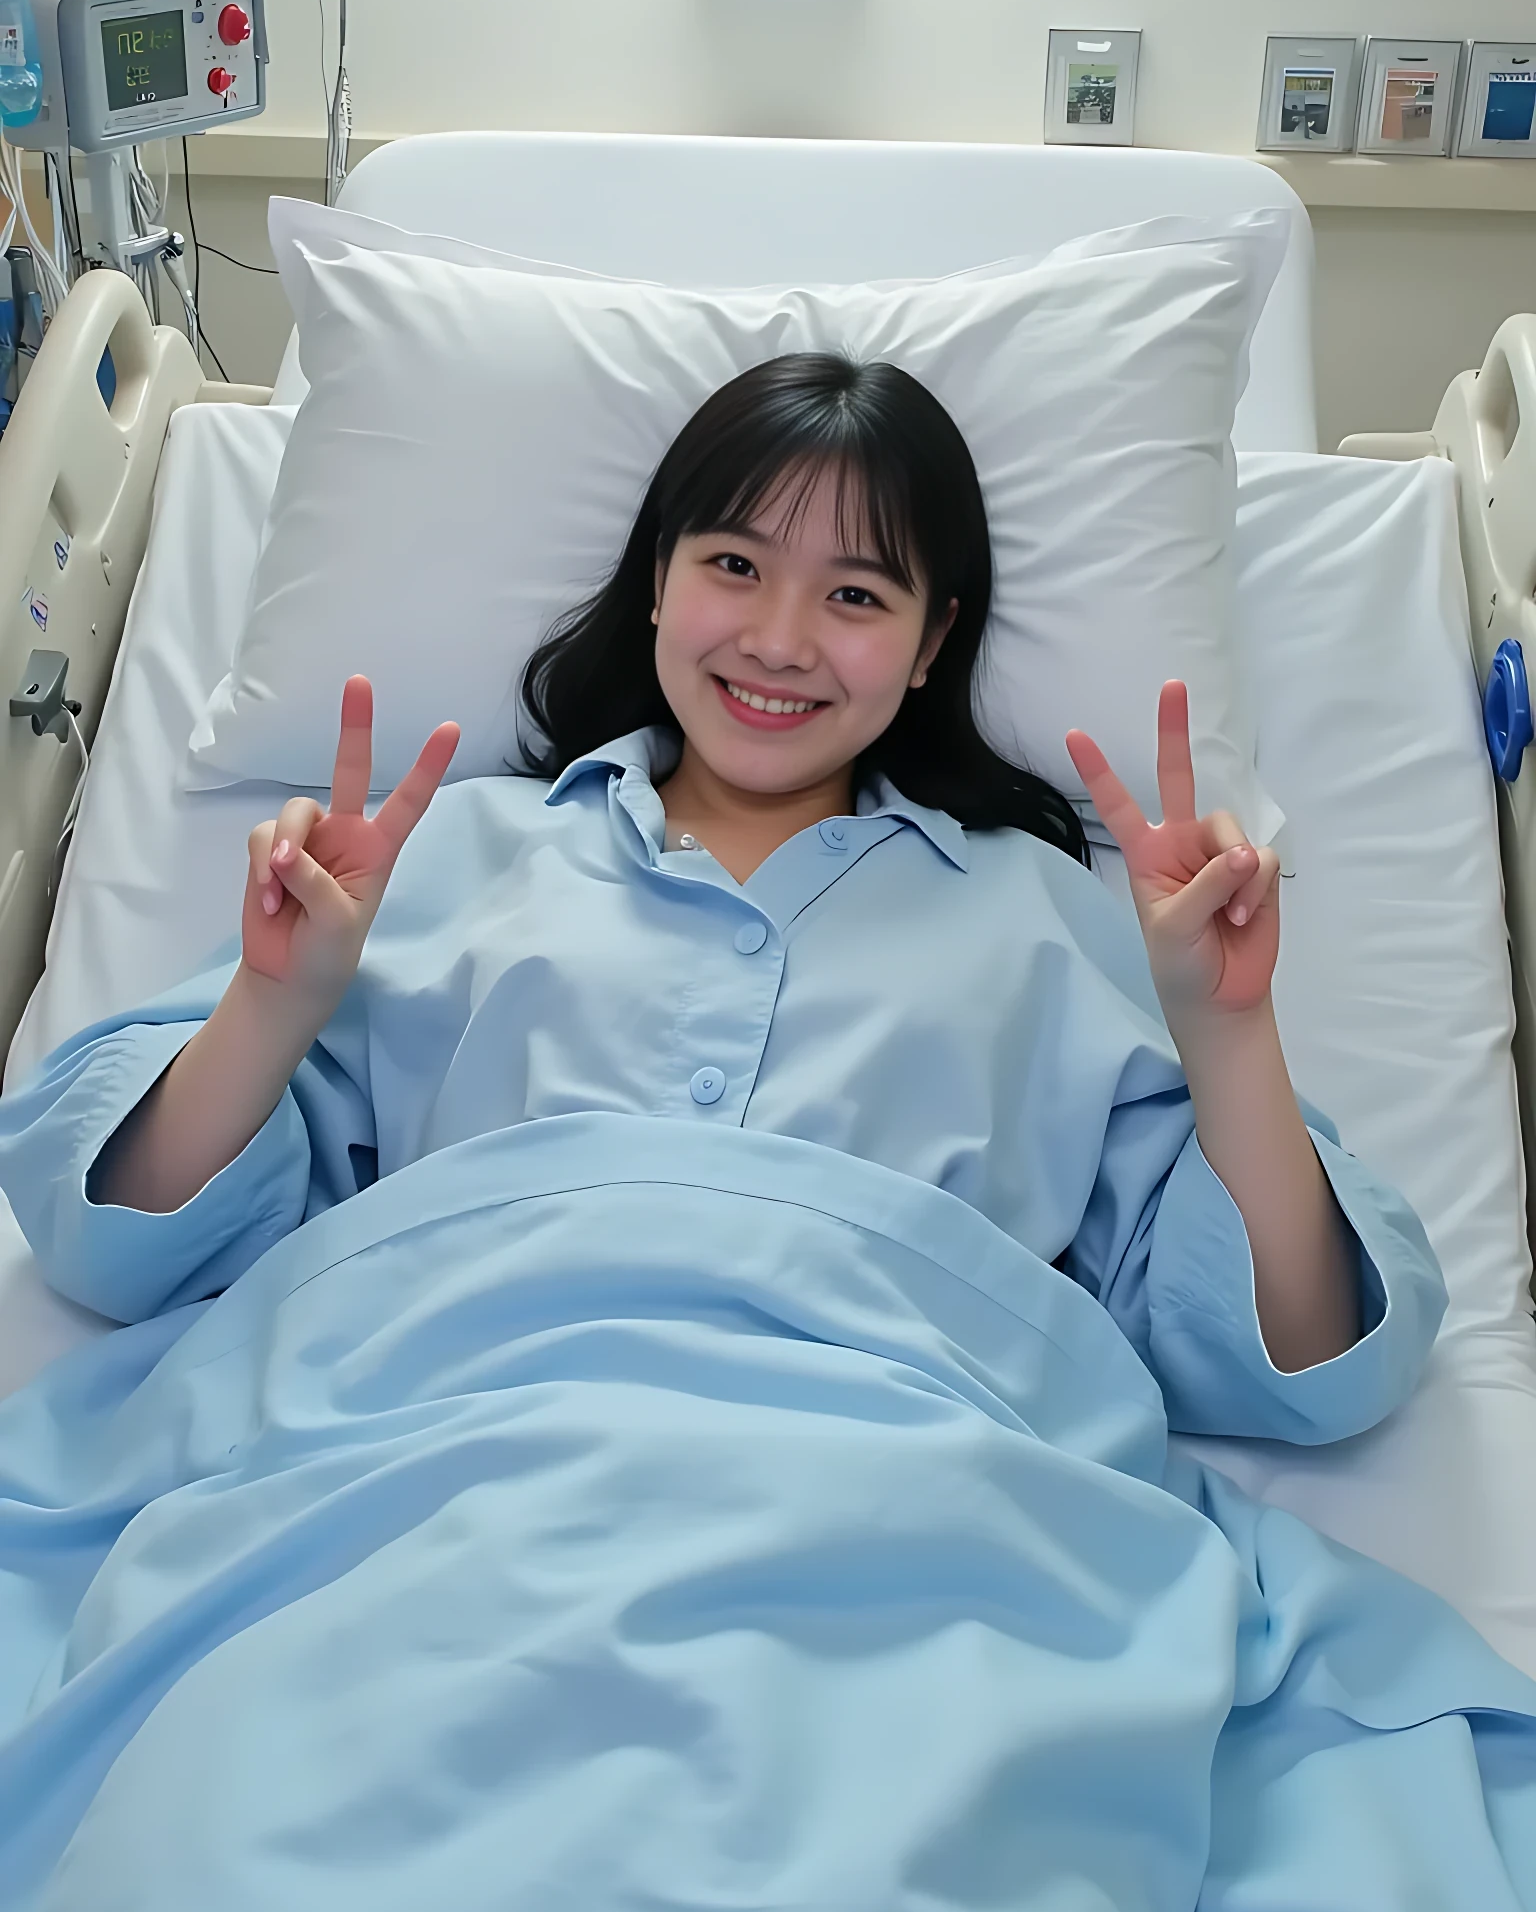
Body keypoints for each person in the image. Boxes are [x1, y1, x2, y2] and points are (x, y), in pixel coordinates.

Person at [0, 354, 1444, 1436]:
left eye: (858, 597)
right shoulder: (428, 862)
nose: (778, 638)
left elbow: (1309, 1366)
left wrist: (1230, 1037)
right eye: (734, 566)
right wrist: (274, 1003)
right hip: (430, 1466)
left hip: (908, 1521)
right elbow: (112, 1240)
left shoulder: (1055, 919)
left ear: (936, 641)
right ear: (656, 584)